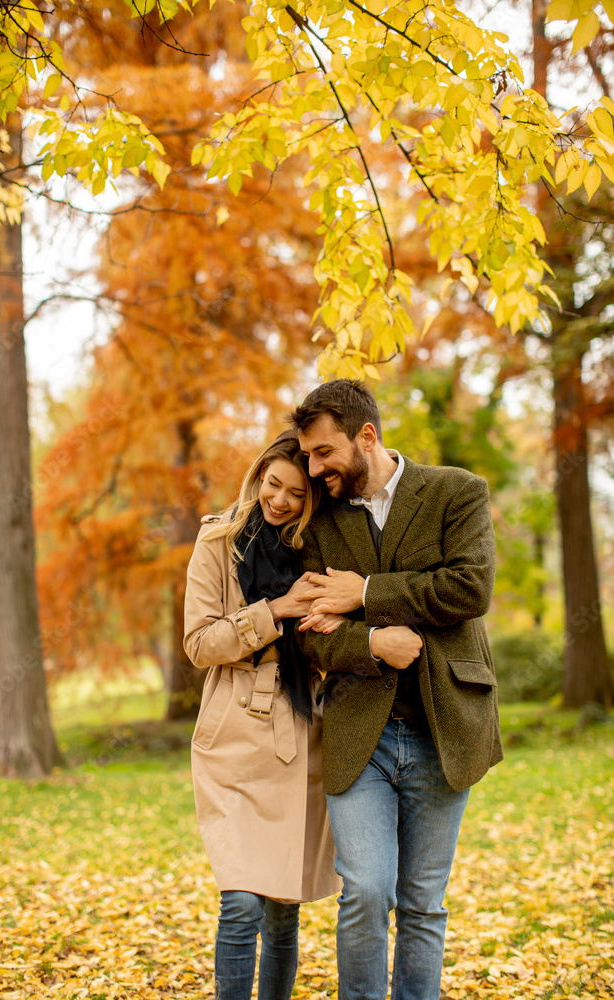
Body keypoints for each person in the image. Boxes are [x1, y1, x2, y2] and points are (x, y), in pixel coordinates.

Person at [289, 379, 502, 1000]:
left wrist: (364, 596)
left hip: (446, 726)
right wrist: (372, 642)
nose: (313, 468)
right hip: (362, 734)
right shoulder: (320, 525)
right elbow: (312, 636)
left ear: (367, 436)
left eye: (324, 452)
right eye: (307, 455)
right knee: (366, 891)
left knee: (423, 904)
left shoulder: (455, 492)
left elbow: (468, 590)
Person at [185, 430, 381, 1000]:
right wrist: (276, 610)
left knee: (282, 909)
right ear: (257, 476)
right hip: (234, 733)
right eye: (273, 484)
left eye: (297, 492)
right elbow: (199, 645)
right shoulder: (217, 543)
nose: (280, 501)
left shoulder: (320, 550)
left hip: (301, 729)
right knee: (242, 900)